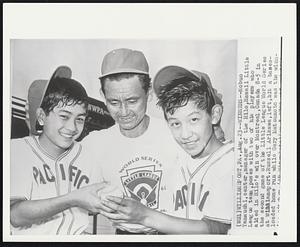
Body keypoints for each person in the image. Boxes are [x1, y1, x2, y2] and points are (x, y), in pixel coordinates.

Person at [98, 65, 234, 234]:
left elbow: (218, 229)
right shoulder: (182, 156)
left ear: (214, 115)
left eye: (193, 119)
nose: (185, 134)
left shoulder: (231, 162)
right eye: (175, 123)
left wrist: (145, 216)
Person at [80, 48, 183, 234]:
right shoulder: (93, 144)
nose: (124, 111)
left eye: (132, 100)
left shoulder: (174, 133)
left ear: (149, 94)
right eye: (114, 102)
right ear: (103, 96)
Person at [10, 66, 108, 235]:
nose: (72, 127)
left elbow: (92, 209)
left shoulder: (88, 157)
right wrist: (72, 199)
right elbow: (15, 215)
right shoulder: (15, 150)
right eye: (64, 116)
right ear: (41, 117)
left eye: (80, 119)